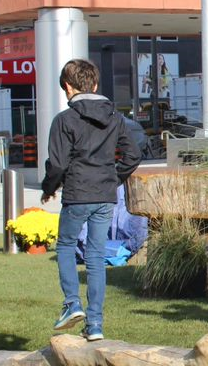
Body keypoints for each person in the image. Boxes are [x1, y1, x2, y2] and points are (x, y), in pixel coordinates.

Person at [41, 59, 141, 342]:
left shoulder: (64, 120)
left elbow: (57, 164)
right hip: (105, 195)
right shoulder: (116, 117)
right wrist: (113, 178)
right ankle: (95, 324)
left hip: (77, 193)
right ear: (95, 85)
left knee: (65, 246)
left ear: (68, 87)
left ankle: (72, 303)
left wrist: (49, 188)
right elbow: (133, 156)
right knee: (96, 257)